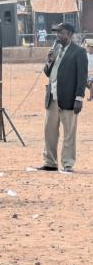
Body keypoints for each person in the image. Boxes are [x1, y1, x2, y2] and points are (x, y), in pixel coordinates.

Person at [38, 23, 88, 172]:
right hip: (52, 97)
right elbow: (48, 73)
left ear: (70, 34)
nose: (58, 35)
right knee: (49, 131)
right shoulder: (56, 50)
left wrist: (79, 98)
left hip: (69, 98)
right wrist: (49, 60)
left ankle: (67, 163)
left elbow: (82, 77)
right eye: (57, 32)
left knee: (69, 133)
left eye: (61, 32)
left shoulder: (79, 52)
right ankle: (50, 162)